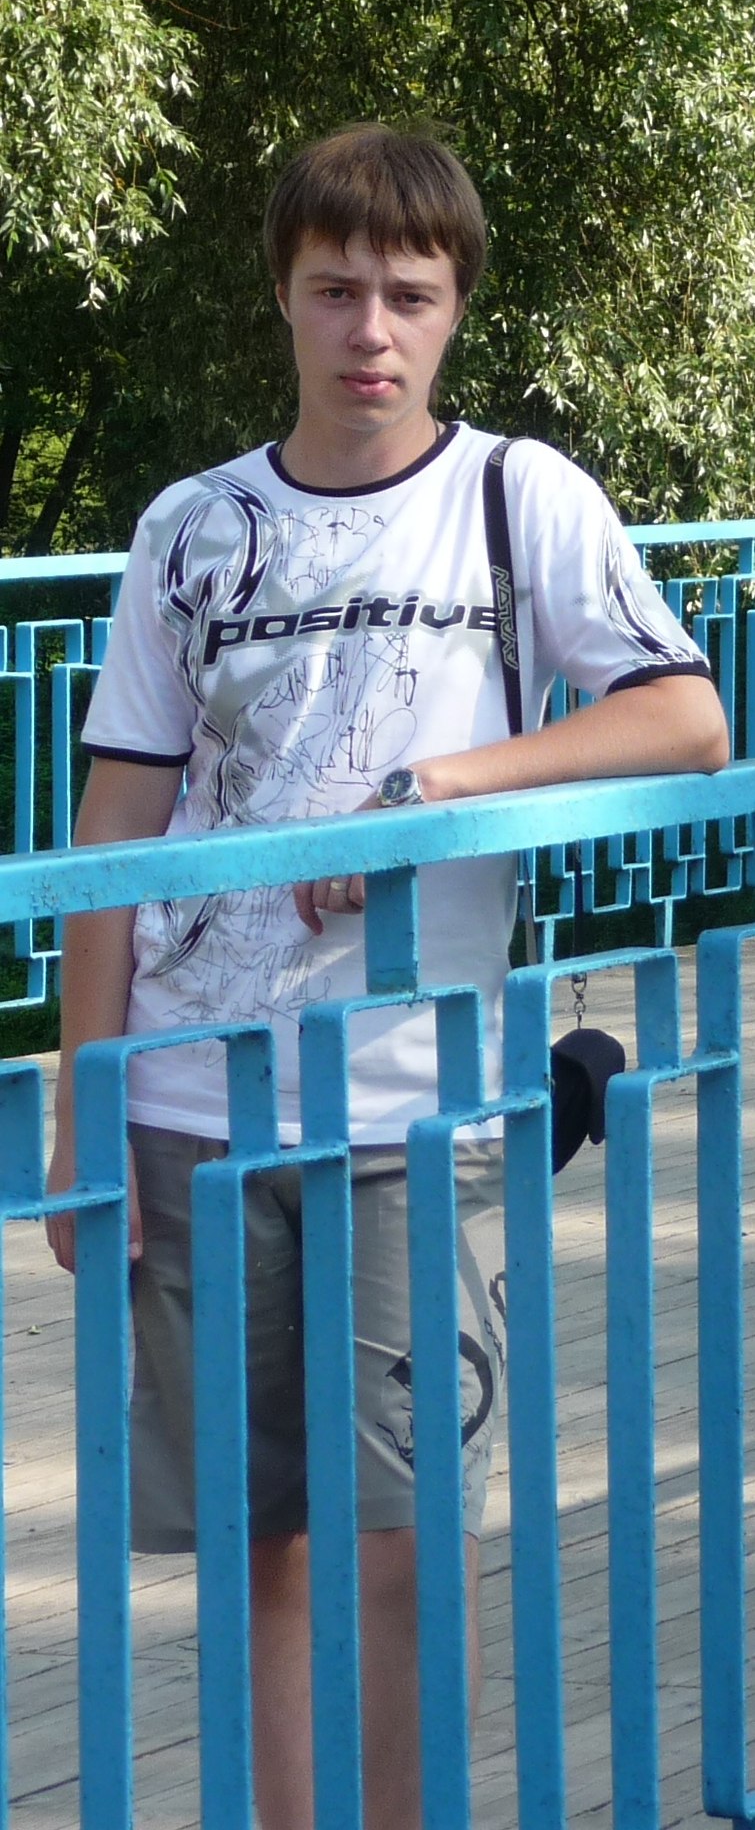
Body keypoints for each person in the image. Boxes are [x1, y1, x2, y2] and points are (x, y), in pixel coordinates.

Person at [46, 122, 729, 1830]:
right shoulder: (194, 528)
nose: (371, 329)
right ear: (281, 295)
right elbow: (114, 827)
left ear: (454, 310)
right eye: (336, 288)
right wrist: (82, 1108)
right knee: (261, 1544)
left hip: (403, 1113)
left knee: (406, 1543)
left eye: (408, 296)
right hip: (191, 1103)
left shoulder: (517, 499)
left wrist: (440, 789)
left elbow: (686, 715)